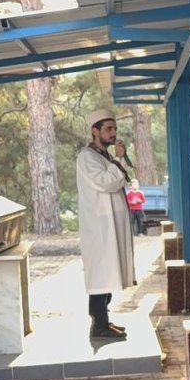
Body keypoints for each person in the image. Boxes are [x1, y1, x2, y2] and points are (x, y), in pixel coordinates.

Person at [76, 109, 135, 340]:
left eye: (115, 129)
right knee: (101, 275)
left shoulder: (103, 157)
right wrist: (119, 159)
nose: (113, 133)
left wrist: (117, 159)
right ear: (95, 131)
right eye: (108, 129)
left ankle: (105, 322)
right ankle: (98, 324)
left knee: (108, 272)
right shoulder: (87, 157)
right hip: (100, 229)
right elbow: (106, 183)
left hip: (109, 227)